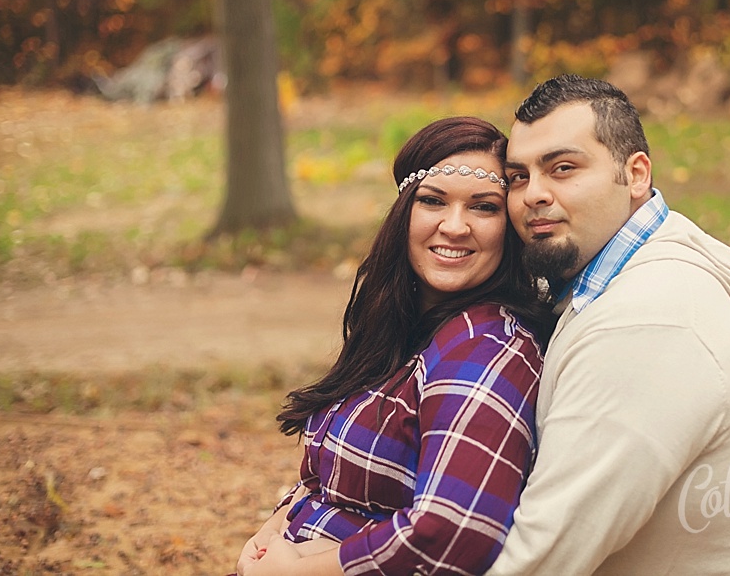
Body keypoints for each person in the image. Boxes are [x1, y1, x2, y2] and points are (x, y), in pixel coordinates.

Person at [485, 74, 730, 575]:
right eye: (518, 176)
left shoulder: (648, 324)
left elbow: (544, 558)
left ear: (636, 174)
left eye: (563, 168)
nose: (534, 194)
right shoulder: (616, 272)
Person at [235, 117, 554, 576]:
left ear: (509, 228)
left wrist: (296, 572)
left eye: (483, 207)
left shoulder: (484, 347)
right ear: (404, 211)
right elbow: (323, 480)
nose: (455, 226)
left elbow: (453, 532)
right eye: (433, 201)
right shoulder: (398, 330)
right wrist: (267, 535)